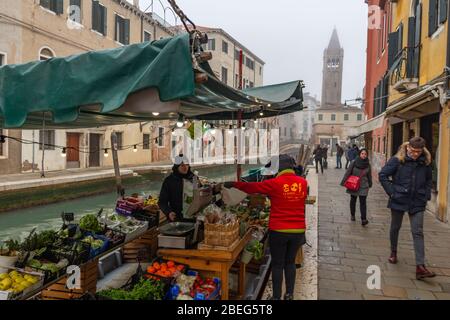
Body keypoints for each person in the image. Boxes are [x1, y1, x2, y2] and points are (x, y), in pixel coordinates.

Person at [222, 154, 308, 300]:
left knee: (277, 264)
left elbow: (252, 187)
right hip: (298, 231)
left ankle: (275, 297)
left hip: (279, 230)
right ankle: (289, 295)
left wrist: (234, 184)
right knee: (290, 262)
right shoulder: (303, 183)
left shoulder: (275, 183)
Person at [379, 137, 435, 280]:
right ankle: (393, 252)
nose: (416, 154)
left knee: (418, 232)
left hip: (417, 201)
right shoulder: (397, 160)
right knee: (395, 227)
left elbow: (429, 180)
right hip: (399, 198)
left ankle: (420, 267)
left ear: (423, 149)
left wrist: (426, 194)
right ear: (408, 147)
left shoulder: (426, 162)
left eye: (419, 151)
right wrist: (392, 192)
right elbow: (383, 175)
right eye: (413, 151)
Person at [158, 154, 196, 222]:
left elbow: (201, 193)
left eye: (187, 165)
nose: (185, 167)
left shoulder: (193, 178)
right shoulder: (169, 181)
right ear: (176, 167)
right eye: (182, 165)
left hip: (194, 217)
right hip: (177, 217)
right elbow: (162, 202)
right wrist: (169, 212)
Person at [340, 148, 372, 225]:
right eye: (362, 154)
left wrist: (370, 183)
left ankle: (363, 219)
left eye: (365, 154)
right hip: (354, 184)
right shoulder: (354, 162)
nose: (364, 155)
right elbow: (348, 172)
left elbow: (369, 175)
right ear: (359, 154)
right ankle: (352, 215)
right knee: (353, 200)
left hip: (364, 185)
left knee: (363, 202)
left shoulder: (368, 164)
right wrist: (343, 182)